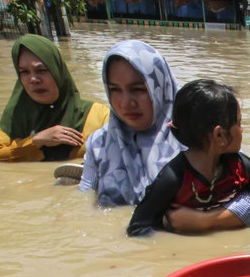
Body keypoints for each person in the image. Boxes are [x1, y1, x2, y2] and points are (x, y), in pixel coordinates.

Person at [127, 79, 250, 253]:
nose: (242, 130)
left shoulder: (241, 166)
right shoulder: (172, 177)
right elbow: (137, 229)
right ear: (219, 135)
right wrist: (178, 246)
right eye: (239, 123)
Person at [71, 40, 184, 206]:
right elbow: (84, 201)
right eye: (115, 90)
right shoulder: (99, 143)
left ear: (160, 87)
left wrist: (202, 221)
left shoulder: (197, 137)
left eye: (138, 89)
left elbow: (236, 194)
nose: (125, 103)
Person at [0, 34, 109, 163]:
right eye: (24, 72)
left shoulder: (98, 115)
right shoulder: (15, 116)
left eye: (41, 70)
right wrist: (35, 141)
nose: (33, 80)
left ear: (58, 71)